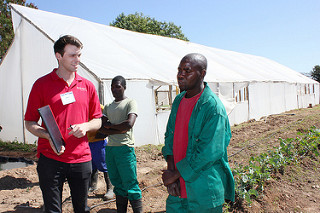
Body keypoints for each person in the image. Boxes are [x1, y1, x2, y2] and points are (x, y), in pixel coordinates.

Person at [24, 35, 102, 213]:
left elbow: (97, 120)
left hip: (81, 158)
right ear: (58, 56)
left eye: (79, 55)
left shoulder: (87, 86)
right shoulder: (41, 85)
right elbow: (29, 122)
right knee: (52, 210)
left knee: (82, 209)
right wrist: (47, 135)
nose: (77, 60)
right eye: (72, 55)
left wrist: (85, 126)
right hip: (50, 158)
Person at [161, 53, 235, 212]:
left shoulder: (213, 108)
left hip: (204, 191)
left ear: (202, 74)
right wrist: (172, 174)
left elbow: (207, 153)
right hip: (177, 192)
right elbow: (170, 139)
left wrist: (174, 175)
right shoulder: (178, 101)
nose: (180, 75)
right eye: (179, 70)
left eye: (187, 71)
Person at [99, 75, 143, 213]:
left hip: (125, 148)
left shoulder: (130, 103)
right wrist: (118, 128)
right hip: (111, 150)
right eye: (112, 86)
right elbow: (101, 128)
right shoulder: (108, 106)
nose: (114, 89)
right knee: (118, 184)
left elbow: (129, 124)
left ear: (124, 87)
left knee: (131, 183)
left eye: (117, 86)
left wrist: (110, 127)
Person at [87, 104, 114, 200]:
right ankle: (93, 185)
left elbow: (110, 119)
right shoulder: (81, 105)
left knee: (104, 164)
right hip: (87, 141)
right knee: (91, 164)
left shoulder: (99, 107)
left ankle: (110, 188)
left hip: (98, 141)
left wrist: (104, 132)